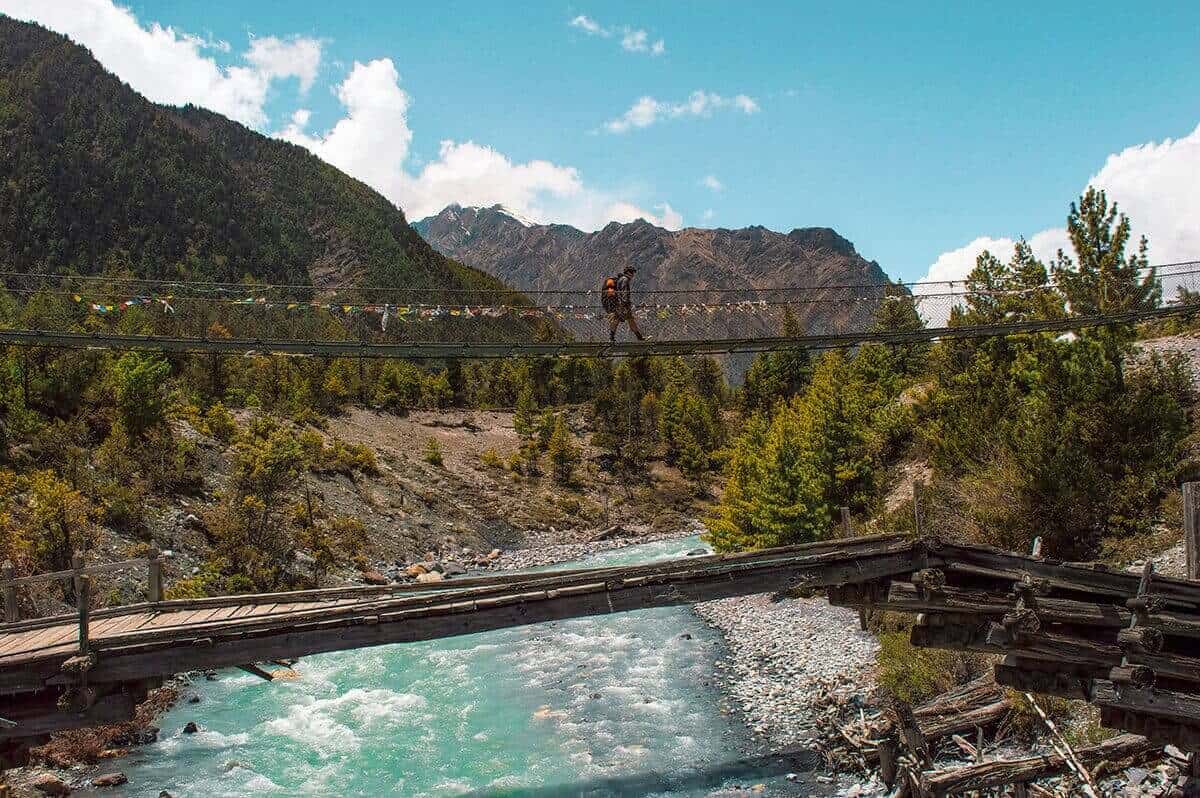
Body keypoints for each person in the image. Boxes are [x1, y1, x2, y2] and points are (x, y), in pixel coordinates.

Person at [606, 266, 645, 342]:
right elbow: (624, 292)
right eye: (632, 273)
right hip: (623, 305)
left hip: (619, 303)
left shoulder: (620, 279)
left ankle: (612, 337)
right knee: (628, 320)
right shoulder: (625, 280)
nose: (633, 275)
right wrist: (625, 303)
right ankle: (639, 337)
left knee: (619, 320)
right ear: (628, 273)